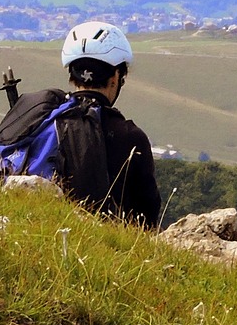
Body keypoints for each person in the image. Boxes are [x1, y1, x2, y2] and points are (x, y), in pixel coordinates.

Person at [58, 20, 162, 228]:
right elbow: (147, 218)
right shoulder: (131, 138)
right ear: (116, 77)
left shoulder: (45, 120)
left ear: (72, 75)